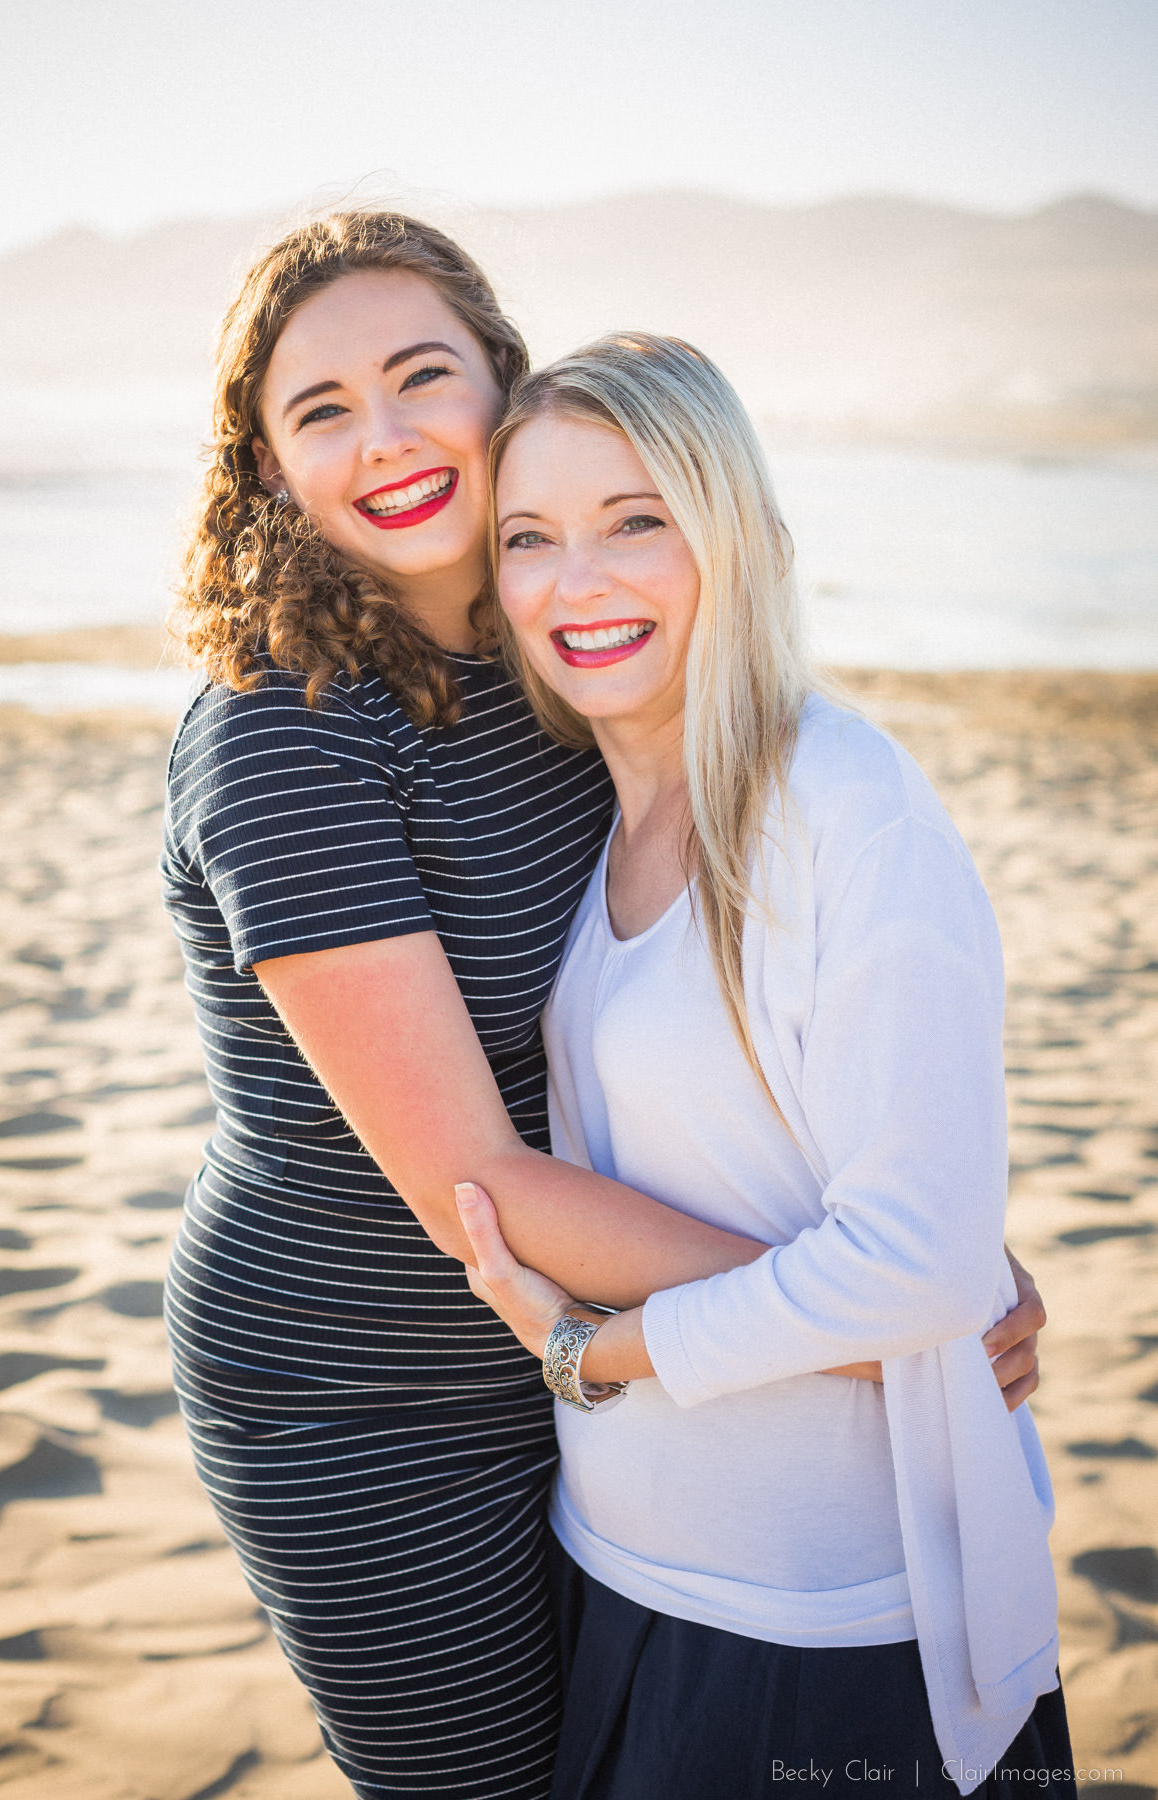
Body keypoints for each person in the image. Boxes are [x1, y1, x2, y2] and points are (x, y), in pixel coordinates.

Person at [161, 210, 1045, 1800]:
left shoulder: (559, 667)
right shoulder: (284, 731)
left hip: (583, 1369)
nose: (386, 438)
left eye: (421, 376)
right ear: (266, 467)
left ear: (500, 384)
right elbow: (476, 1179)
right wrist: (892, 1319)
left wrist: (918, 1233)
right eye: (322, 410)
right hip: (370, 1396)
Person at [457, 331, 1073, 1798]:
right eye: (528, 537)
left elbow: (920, 1268)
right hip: (617, 1571)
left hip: (829, 1624)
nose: (575, 582)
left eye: (635, 521)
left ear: (732, 533)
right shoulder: (602, 820)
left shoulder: (842, 805)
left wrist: (595, 1350)